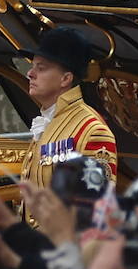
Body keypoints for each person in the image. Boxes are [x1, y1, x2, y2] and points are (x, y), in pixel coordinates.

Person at [20, 26, 118, 189]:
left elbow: (98, 206)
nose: (30, 73)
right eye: (33, 66)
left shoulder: (92, 131)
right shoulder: (47, 122)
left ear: (65, 79)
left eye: (41, 68)